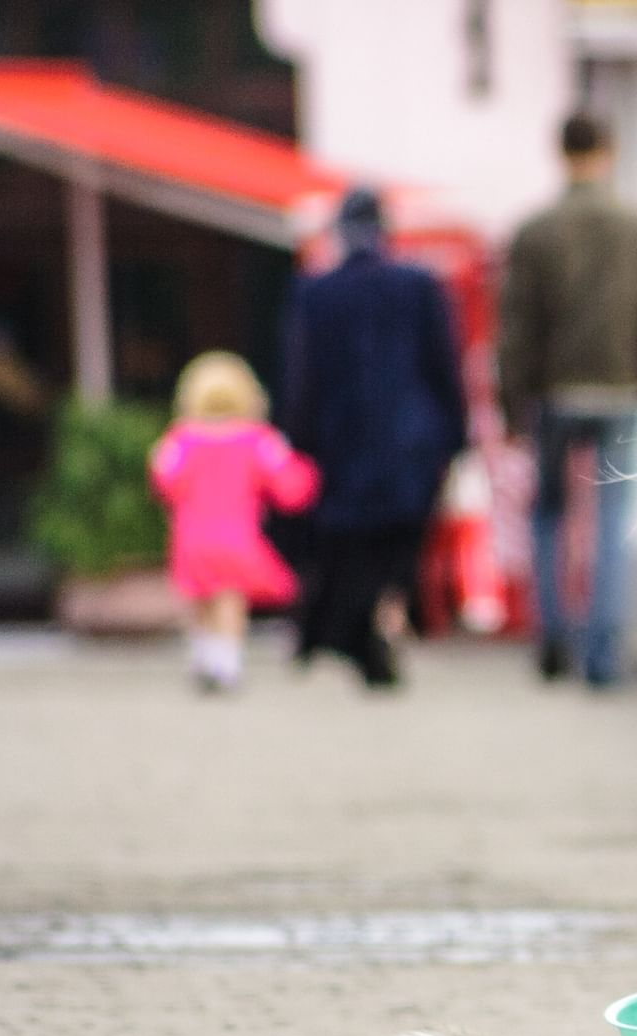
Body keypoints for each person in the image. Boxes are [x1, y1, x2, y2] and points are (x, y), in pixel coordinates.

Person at [497, 111, 637, 688]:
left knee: (548, 514)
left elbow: (517, 327)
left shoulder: (534, 231)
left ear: (560, 151)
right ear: (610, 149)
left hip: (553, 390)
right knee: (612, 517)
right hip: (621, 386)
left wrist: (511, 402)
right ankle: (603, 653)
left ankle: (552, 639)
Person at [284, 187, 467, 688]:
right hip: (412, 445)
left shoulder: (315, 292)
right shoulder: (421, 286)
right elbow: (443, 368)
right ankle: (379, 630)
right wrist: (455, 437)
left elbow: (303, 380)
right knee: (398, 550)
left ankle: (359, 635)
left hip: (341, 446)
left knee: (352, 548)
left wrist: (299, 443)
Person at [149, 352, 319, 691]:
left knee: (199, 598)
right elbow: (290, 485)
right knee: (229, 597)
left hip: (192, 538)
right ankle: (226, 659)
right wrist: (311, 473)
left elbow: (165, 481)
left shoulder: (181, 440)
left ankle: (203, 653)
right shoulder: (258, 440)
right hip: (236, 536)